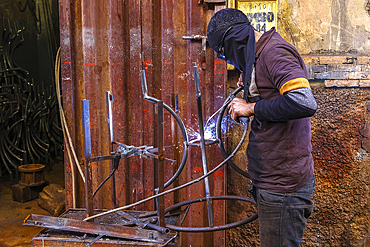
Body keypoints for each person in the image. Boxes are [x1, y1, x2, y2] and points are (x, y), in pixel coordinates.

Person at [207, 8, 317, 247]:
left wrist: (252, 108)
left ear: (234, 39)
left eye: (226, 53)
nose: (228, 61)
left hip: (283, 186)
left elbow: (303, 102)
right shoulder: (258, 56)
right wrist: (251, 83)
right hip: (272, 181)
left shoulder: (274, 53)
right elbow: (274, 98)